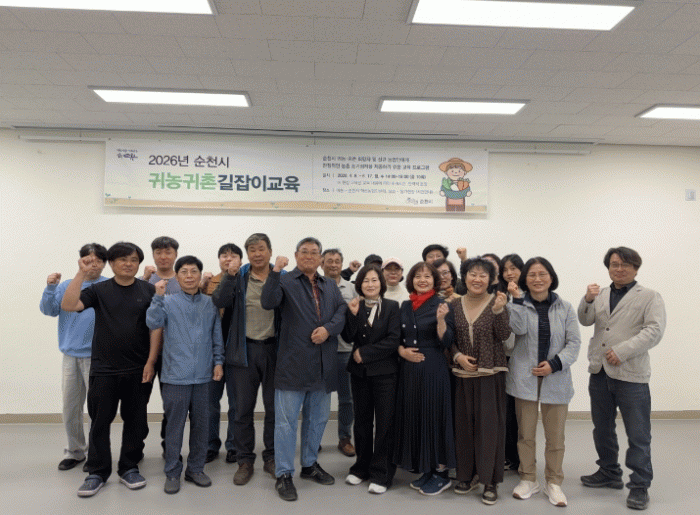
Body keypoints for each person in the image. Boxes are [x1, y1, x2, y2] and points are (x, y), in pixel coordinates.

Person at [61, 242, 158, 498]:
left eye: (134, 259)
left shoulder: (148, 290)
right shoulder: (99, 290)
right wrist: (81, 273)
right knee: (100, 422)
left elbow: (156, 328)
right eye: (122, 259)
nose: (128, 263)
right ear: (112, 263)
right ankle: (97, 472)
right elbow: (69, 305)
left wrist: (151, 362)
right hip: (104, 369)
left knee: (135, 421)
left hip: (138, 369)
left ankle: (129, 467)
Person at [578, 247, 666, 511]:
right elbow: (585, 320)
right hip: (599, 372)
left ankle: (639, 486)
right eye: (614, 264)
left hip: (631, 375)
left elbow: (654, 330)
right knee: (602, 428)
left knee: (638, 433)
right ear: (608, 267)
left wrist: (623, 351)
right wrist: (588, 299)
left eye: (625, 264)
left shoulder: (649, 296)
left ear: (636, 268)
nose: (619, 269)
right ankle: (609, 472)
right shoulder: (601, 294)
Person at [260, 237, 347, 502]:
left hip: (323, 363)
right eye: (304, 252)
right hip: (293, 364)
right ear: (296, 255)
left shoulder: (329, 285)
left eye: (314, 252)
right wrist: (275, 270)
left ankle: (309, 465)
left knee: (318, 419)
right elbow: (268, 301)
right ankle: (284, 474)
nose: (309, 256)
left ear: (320, 258)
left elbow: (341, 310)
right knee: (285, 423)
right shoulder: (285, 280)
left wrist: (328, 329)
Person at [146, 255, 225, 494]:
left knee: (202, 426)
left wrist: (218, 362)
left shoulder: (210, 303)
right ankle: (172, 472)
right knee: (175, 427)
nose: (189, 276)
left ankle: (196, 469)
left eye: (194, 272)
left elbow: (216, 335)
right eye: (184, 272)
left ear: (200, 276)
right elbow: (153, 322)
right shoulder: (167, 301)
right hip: (175, 376)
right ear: (177, 277)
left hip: (203, 376)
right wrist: (157, 297)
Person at [506, 257, 581, 507]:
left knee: (555, 437)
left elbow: (574, 343)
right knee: (525, 434)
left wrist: (555, 364)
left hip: (556, 378)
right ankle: (528, 478)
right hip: (524, 379)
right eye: (532, 275)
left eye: (542, 274)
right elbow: (517, 330)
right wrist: (517, 300)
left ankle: (554, 482)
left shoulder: (565, 308)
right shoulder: (517, 304)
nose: (537, 279)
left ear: (551, 277)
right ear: (525, 279)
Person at [211, 234, 281, 485]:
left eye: (261, 249)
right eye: (252, 250)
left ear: (270, 251)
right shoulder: (238, 276)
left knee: (274, 409)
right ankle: (244, 460)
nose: (257, 254)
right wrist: (229, 276)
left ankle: (271, 457)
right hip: (243, 351)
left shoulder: (281, 276)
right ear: (247, 254)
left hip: (275, 351)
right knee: (242, 410)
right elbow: (219, 300)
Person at [40, 243, 109, 472]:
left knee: (98, 410)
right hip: (70, 356)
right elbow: (49, 310)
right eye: (88, 260)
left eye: (98, 260)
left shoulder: (108, 286)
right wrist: (51, 287)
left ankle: (97, 454)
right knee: (70, 407)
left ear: (104, 263)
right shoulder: (67, 285)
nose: (93, 264)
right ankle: (75, 451)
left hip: (99, 357)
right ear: (80, 261)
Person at [450, 257, 511, 505]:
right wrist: (457, 356)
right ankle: (467, 475)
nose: (477, 279)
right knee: (464, 428)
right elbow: (447, 339)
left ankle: (490, 481)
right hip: (462, 375)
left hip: (490, 375)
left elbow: (504, 335)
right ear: (464, 277)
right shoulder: (454, 304)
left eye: (483, 275)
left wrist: (499, 312)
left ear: (491, 280)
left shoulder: (497, 302)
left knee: (489, 429)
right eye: (472, 274)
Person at [393, 262, 456, 496]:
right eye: (418, 276)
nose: (422, 280)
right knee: (417, 417)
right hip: (409, 370)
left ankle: (441, 473)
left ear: (434, 281)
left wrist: (441, 320)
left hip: (433, 368)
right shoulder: (405, 305)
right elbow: (395, 336)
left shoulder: (442, 305)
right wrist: (401, 351)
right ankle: (427, 469)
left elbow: (447, 341)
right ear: (411, 280)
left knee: (435, 418)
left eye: (427, 276)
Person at [342, 265, 401, 494]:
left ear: (381, 283)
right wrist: (352, 315)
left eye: (374, 280)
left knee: (385, 424)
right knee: (362, 422)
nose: (370, 284)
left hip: (385, 374)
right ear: (359, 284)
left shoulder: (392, 307)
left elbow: (393, 340)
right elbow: (348, 336)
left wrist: (365, 353)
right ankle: (361, 468)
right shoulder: (355, 305)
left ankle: (382, 473)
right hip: (360, 374)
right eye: (365, 280)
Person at [203, 243, 243, 465]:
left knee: (236, 403)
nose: (228, 259)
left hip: (237, 351)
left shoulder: (246, 280)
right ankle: (210, 445)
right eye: (224, 256)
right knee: (210, 403)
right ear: (218, 259)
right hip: (211, 352)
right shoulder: (209, 282)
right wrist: (203, 285)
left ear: (241, 260)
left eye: (233, 255)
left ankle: (234, 446)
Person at [141, 236, 181, 454]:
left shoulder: (183, 280)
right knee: (138, 402)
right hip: (143, 351)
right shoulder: (145, 280)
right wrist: (143, 279)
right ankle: (135, 447)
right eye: (158, 252)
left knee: (172, 404)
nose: (163, 256)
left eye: (168, 252)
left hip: (174, 353)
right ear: (153, 255)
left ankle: (170, 447)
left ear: (176, 255)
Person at [321, 248, 358, 458]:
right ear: (322, 263)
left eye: (337, 261)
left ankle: (345, 438)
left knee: (347, 399)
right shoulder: (315, 286)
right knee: (317, 398)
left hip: (345, 351)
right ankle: (314, 438)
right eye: (329, 261)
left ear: (342, 264)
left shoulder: (352, 288)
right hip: (321, 351)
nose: (333, 264)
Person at [500, 253, 525, 472]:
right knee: (507, 412)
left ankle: (520, 458)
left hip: (523, 359)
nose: (509, 273)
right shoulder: (502, 295)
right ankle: (510, 455)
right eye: (505, 269)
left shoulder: (528, 295)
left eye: (513, 268)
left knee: (521, 413)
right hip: (504, 358)